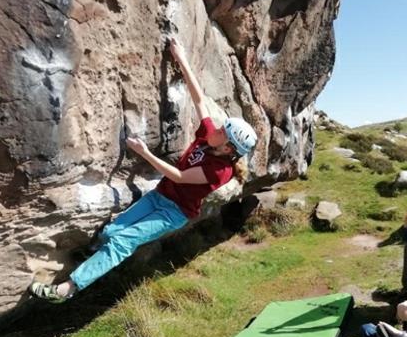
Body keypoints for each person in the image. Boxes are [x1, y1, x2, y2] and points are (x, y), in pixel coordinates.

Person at [29, 38, 257, 303]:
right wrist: (180, 58)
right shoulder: (210, 137)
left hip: (173, 212)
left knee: (122, 242)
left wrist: (144, 153)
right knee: (111, 232)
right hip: (159, 196)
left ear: (229, 148)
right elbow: (199, 101)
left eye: (223, 131)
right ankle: (94, 257)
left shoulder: (221, 171)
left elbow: (180, 177)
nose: (217, 128)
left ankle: (66, 290)